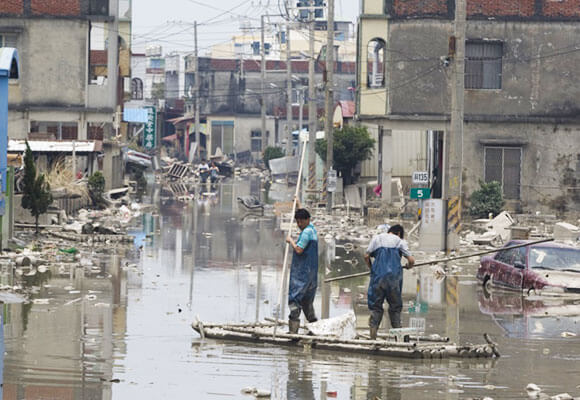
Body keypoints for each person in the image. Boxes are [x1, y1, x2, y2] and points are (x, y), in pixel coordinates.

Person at [364, 224, 415, 340]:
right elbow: (412, 260)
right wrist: (408, 266)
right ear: (398, 233)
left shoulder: (377, 238)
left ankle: (373, 337)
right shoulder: (400, 242)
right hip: (394, 280)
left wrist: (372, 269)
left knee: (376, 307)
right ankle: (399, 339)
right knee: (395, 308)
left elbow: (366, 256)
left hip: (378, 278)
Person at [285, 203, 319, 334]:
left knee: (295, 301)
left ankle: (293, 332)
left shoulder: (306, 233)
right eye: (297, 221)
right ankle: (315, 330)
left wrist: (290, 241)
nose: (299, 224)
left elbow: (299, 250)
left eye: (301, 221)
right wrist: (297, 202)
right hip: (311, 274)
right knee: (307, 303)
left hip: (302, 274)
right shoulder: (312, 230)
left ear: (307, 220)